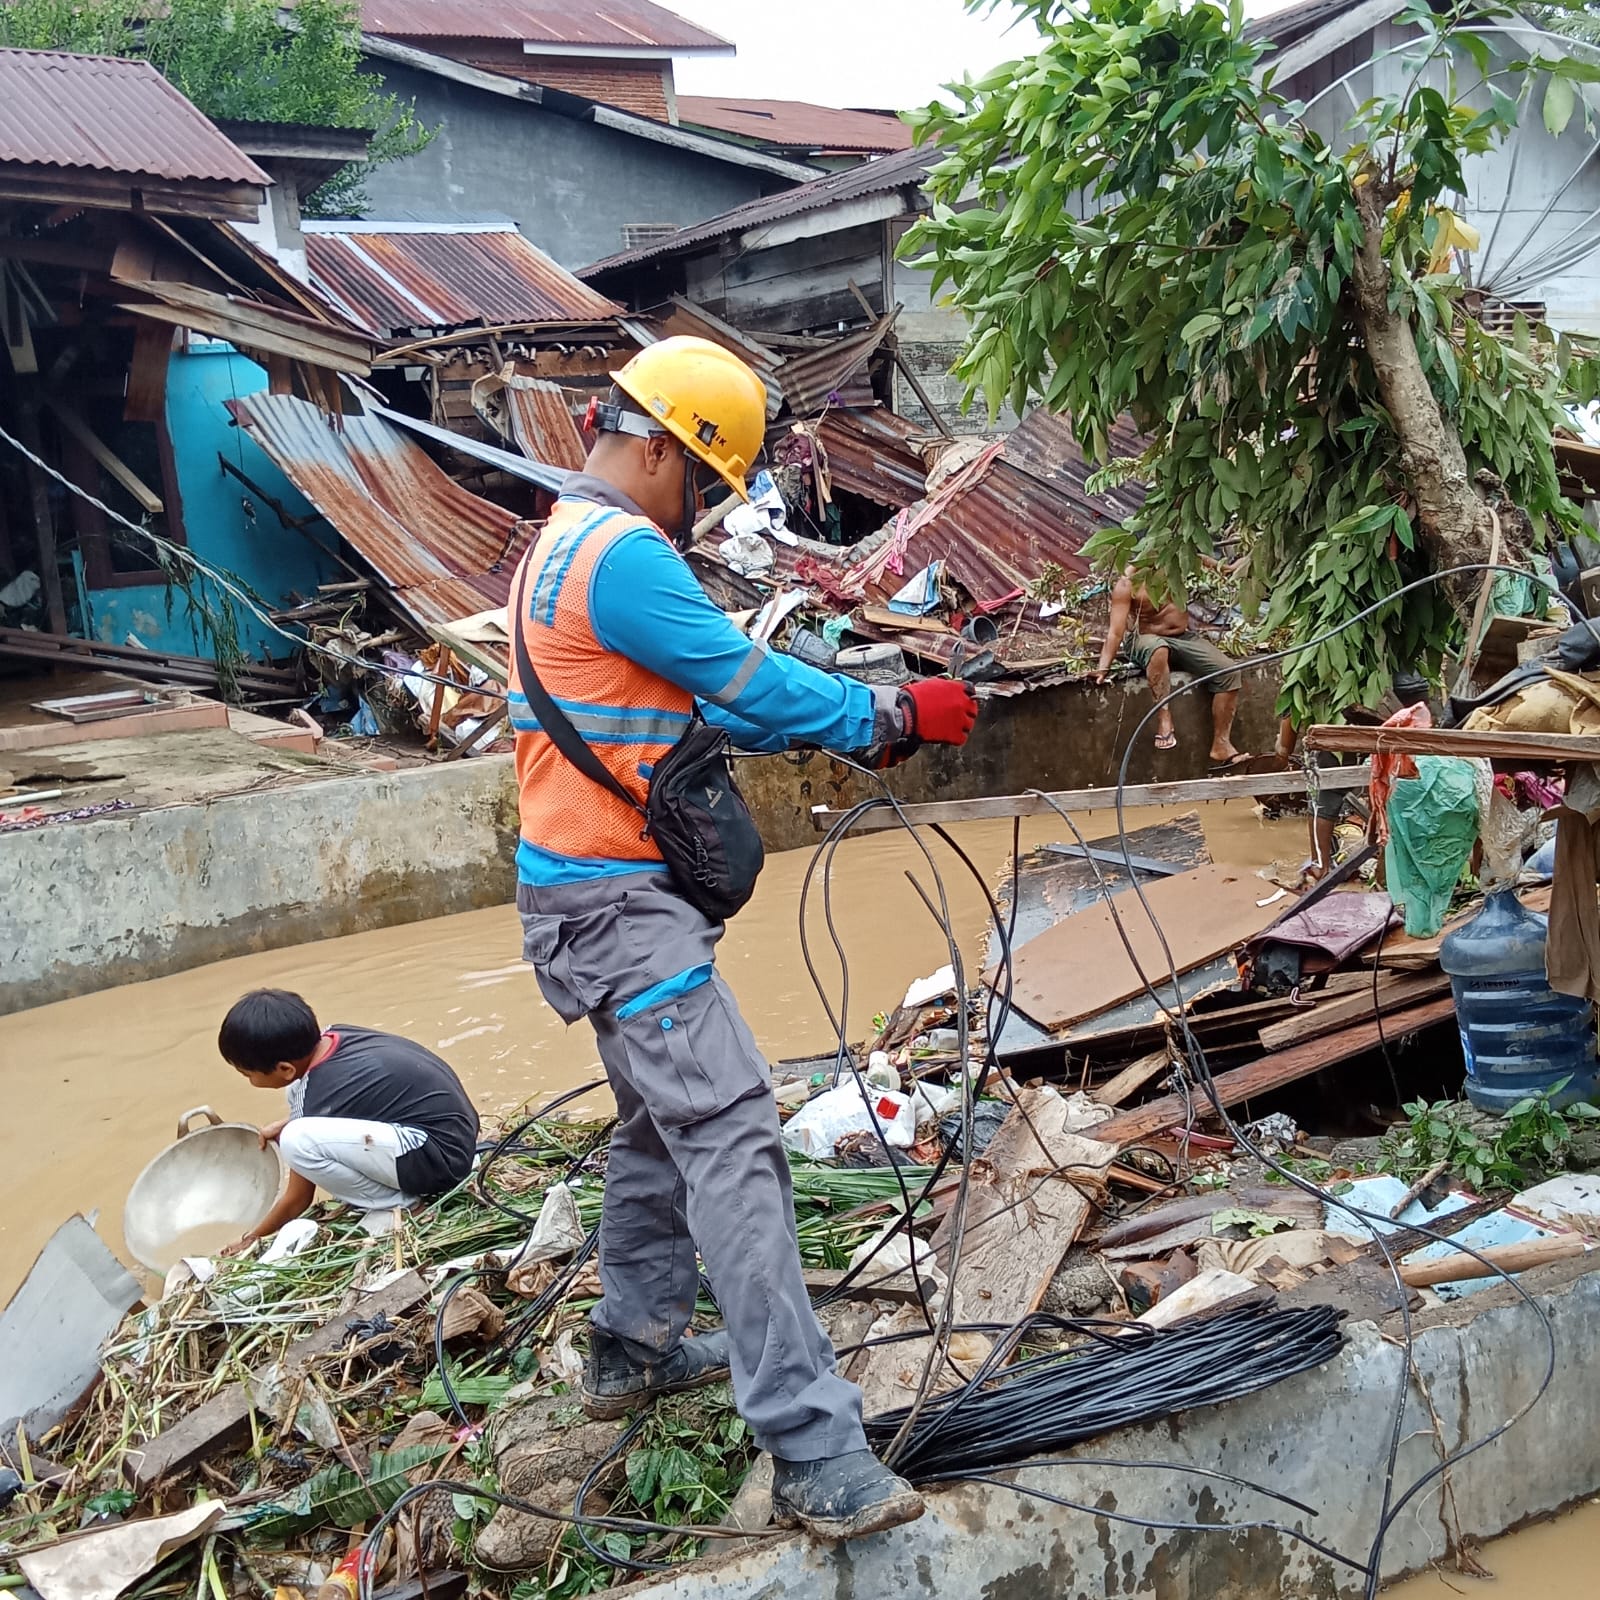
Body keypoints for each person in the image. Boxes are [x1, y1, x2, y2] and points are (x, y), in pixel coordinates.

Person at [509, 336, 978, 1541]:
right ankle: (816, 1452)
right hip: (619, 912)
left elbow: (699, 704)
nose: (704, 513)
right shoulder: (620, 553)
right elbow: (744, 676)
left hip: (583, 901)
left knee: (656, 1129)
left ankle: (631, 1342)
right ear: (660, 446)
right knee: (731, 1135)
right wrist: (883, 708)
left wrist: (853, 723)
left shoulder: (557, 543)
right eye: (704, 483)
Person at [217, 988, 479, 1254]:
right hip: (457, 1133)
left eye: (247, 1074)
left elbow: (299, 1198)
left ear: (285, 1068)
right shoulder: (336, 1036)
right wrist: (291, 1119)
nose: (249, 1081)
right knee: (295, 1097)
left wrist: (250, 1239)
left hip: (444, 1162)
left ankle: (401, 1204)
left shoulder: (318, 1097)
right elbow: (351, 1097)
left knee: (296, 1141)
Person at [1093, 567, 1246, 766]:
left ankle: (1221, 745)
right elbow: (1115, 632)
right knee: (1159, 649)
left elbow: (1218, 568)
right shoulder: (1128, 583)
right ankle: (1164, 716)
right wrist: (1103, 668)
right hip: (1145, 640)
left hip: (1183, 638)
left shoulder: (1180, 560)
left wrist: (1243, 563)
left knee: (1229, 672)